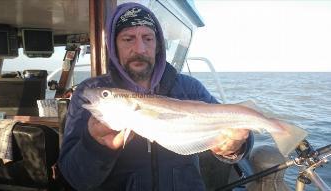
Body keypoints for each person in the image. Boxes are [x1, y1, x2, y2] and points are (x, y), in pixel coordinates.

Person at [58, 2, 253, 191]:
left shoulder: (189, 88)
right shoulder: (91, 91)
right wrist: (95, 145)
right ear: (114, 46)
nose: (140, 49)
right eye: (128, 39)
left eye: (148, 38)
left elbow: (235, 128)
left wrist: (235, 146)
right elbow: (75, 179)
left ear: (158, 45)